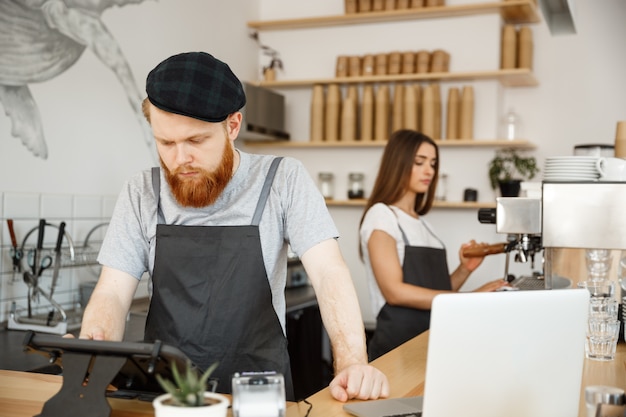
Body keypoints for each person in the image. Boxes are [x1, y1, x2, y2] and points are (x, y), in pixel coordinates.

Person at [79, 51, 389, 401]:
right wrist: (96, 343)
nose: (180, 159)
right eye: (165, 143)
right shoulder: (142, 191)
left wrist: (351, 363)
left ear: (232, 126)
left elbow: (329, 271)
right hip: (169, 395)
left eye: (196, 141)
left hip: (258, 392)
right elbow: (113, 292)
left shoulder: (282, 179)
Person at [359, 129, 509, 361]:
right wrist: (470, 298)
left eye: (433, 163)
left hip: (432, 340)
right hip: (398, 349)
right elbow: (395, 292)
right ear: (397, 163)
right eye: (419, 162)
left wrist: (464, 269)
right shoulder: (382, 215)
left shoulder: (424, 225)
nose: (429, 170)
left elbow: (437, 289)